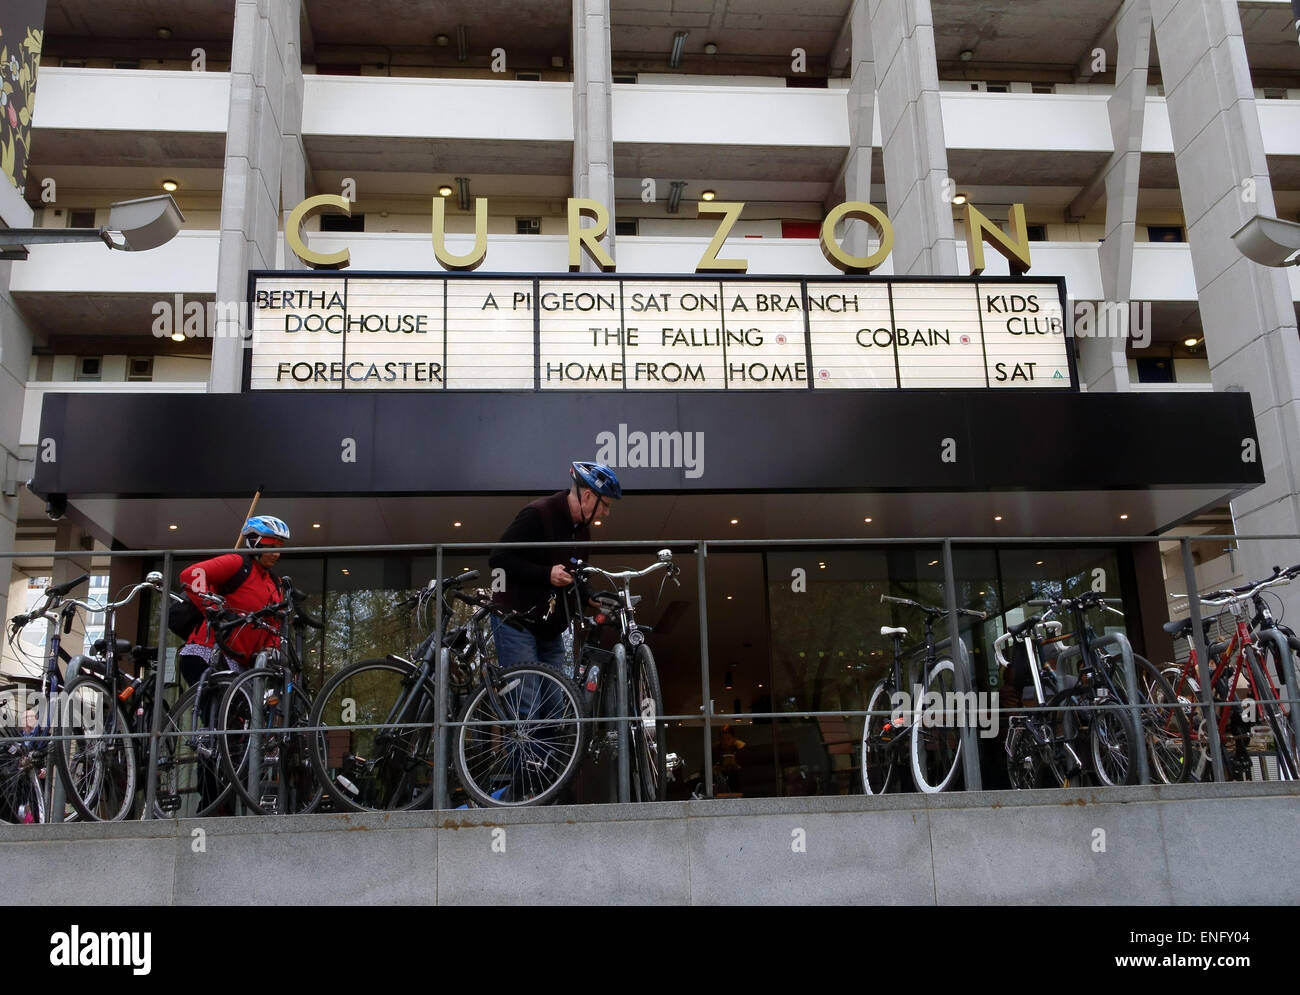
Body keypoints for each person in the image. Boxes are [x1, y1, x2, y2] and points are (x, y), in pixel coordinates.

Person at [488, 461, 621, 669]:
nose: (606, 513)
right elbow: (499, 558)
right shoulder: (538, 513)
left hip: (549, 628)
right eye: (605, 504)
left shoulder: (582, 531)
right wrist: (546, 573)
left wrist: (591, 596)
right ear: (587, 495)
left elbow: (575, 575)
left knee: (557, 699)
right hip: (516, 620)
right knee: (526, 697)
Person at [176, 515, 289, 687]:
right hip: (208, 651)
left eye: (279, 548)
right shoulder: (237, 562)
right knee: (217, 709)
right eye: (270, 546)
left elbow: (274, 623)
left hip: (242, 664)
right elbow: (191, 574)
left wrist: (271, 648)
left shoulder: (275, 583)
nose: (276, 553)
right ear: (255, 543)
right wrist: (213, 609)